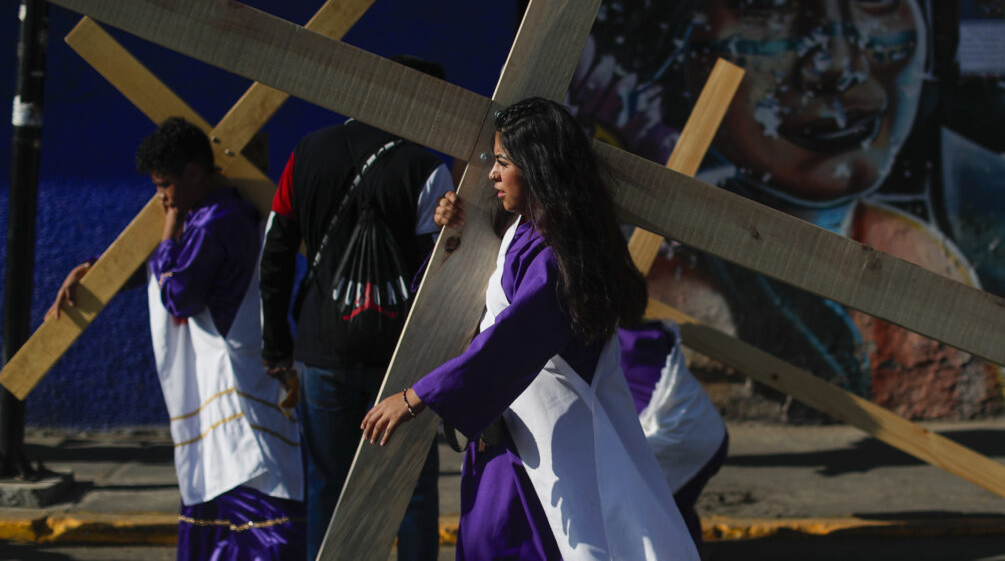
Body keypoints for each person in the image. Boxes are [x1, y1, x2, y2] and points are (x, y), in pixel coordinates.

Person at [568, 0, 1005, 418]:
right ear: (683, 33)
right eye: (768, 1)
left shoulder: (919, 256)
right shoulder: (675, 286)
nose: (837, 63)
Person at [361, 98, 699, 560]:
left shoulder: (557, 253)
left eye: (502, 163)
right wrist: (455, 237)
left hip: (549, 446)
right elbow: (469, 308)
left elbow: (512, 339)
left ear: (538, 166)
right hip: (514, 436)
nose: (492, 175)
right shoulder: (522, 230)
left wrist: (417, 397)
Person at [47, 116, 305, 560]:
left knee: (251, 497)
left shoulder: (214, 221)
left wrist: (168, 229)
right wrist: (97, 269)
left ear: (193, 173)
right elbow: (168, 271)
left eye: (164, 185)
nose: (162, 198)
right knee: (220, 502)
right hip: (222, 387)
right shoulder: (211, 214)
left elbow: (180, 293)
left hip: (234, 390)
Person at [259, 55, 453, 561]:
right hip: (403, 358)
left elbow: (275, 255)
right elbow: (441, 272)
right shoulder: (426, 169)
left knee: (329, 483)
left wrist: (276, 344)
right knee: (409, 487)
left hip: (324, 350)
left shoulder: (307, 153)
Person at [618, 319, 728, 549]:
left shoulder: (612, 344)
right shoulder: (657, 333)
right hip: (712, 435)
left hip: (675, 444)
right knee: (675, 507)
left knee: (649, 515)